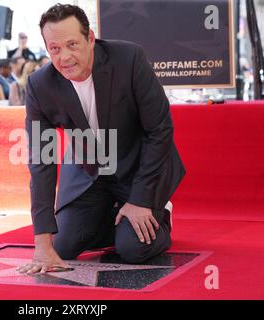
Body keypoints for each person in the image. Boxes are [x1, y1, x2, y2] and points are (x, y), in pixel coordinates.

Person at [19, 4, 185, 274]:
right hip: (89, 174)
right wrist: (41, 241)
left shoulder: (129, 59)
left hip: (136, 168)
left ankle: (158, 213)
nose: (65, 57)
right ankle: (115, 220)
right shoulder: (41, 85)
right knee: (62, 246)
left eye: (73, 44)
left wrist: (142, 200)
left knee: (133, 248)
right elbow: (41, 161)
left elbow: (160, 130)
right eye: (55, 48)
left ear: (91, 38)